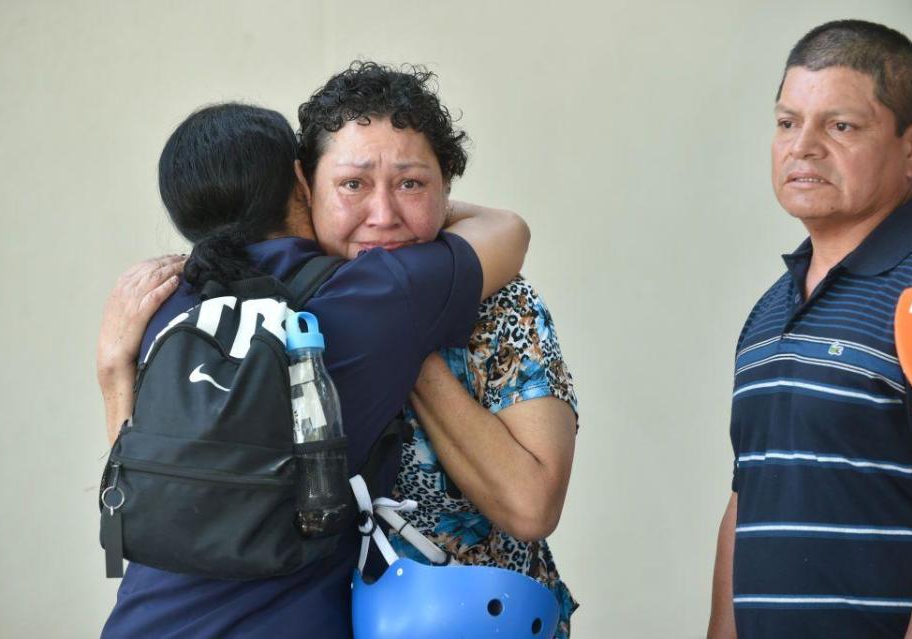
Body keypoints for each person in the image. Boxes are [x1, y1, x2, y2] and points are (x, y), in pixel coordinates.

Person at [96, 102, 529, 637]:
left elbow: (144, 495)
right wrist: (413, 191)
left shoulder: (157, 308)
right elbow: (508, 230)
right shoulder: (370, 294)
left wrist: (113, 371)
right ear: (301, 180)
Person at [294, 61, 579, 636]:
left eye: (411, 183)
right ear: (306, 190)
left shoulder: (501, 302)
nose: (383, 215)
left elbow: (532, 506)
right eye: (353, 184)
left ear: (446, 188)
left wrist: (406, 338)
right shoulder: (278, 310)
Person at [706, 20, 912, 639]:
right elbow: (748, 500)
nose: (803, 147)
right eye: (787, 122)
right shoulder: (768, 312)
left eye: (840, 125)